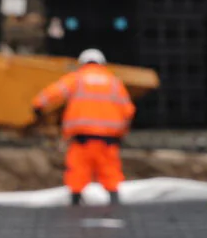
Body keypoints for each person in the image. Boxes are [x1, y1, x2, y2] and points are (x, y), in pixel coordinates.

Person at [32, 48, 135, 204]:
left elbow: (54, 92)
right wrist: (122, 132)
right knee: (110, 173)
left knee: (77, 172)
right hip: (107, 140)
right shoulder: (114, 82)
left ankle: (75, 201)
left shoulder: (77, 78)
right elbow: (128, 110)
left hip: (82, 139)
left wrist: (37, 105)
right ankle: (114, 201)